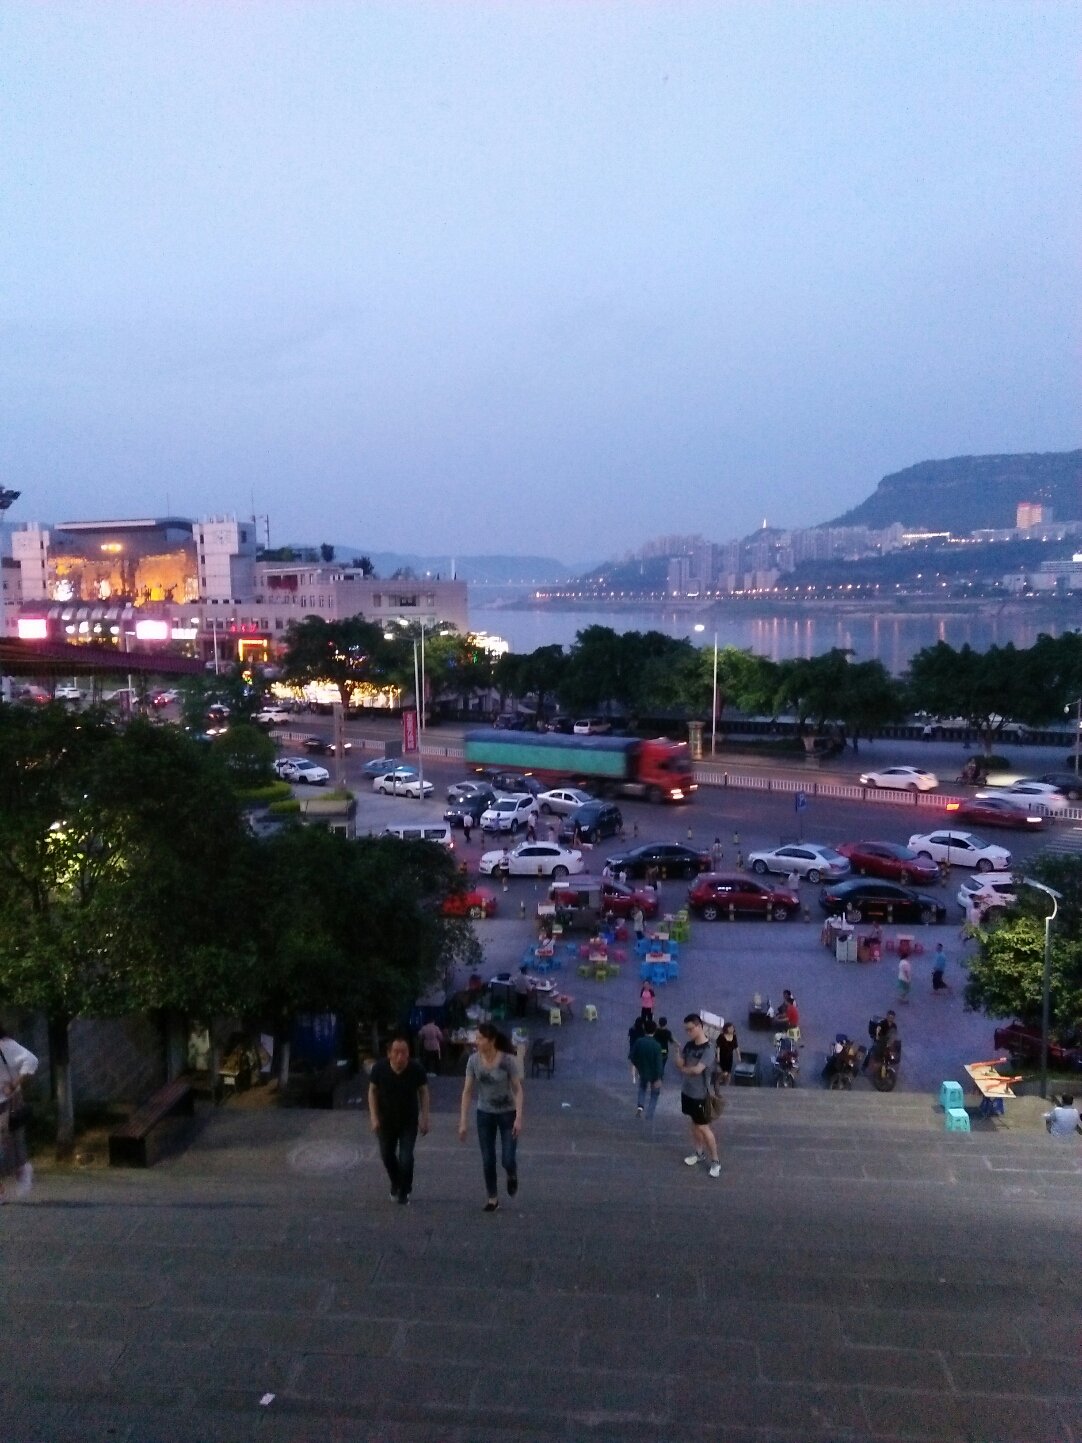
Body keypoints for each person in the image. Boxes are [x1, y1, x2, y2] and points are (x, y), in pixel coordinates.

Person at [458, 1022, 524, 1213]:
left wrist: (519, 1118)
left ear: (491, 1040)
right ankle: (492, 1198)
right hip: (484, 1114)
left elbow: (518, 1090)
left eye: (480, 1038)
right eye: (476, 1038)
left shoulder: (507, 1061)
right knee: (488, 1159)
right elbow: (467, 1091)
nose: (476, 1041)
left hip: (507, 1113)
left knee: (507, 1159)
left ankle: (511, 1173)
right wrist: (463, 1121)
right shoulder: (473, 1061)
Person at [368, 1033, 430, 1205]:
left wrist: (425, 1117)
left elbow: (424, 1092)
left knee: (406, 1158)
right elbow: (372, 1091)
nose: (400, 1056)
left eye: (404, 1052)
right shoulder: (379, 1068)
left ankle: (405, 1189)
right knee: (387, 1155)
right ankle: (396, 1182)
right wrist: (373, 1116)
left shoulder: (416, 1069)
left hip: (408, 1121)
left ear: (409, 1053)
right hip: (385, 1121)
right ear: (389, 1053)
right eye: (396, 1052)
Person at [673, 1014, 720, 1178]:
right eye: (686, 1030)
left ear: (699, 1027)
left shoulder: (709, 1049)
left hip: (700, 1094)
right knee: (694, 1124)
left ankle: (715, 1161)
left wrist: (683, 1069)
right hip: (687, 1091)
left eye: (690, 1029)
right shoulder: (689, 1045)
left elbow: (697, 1070)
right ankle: (699, 1153)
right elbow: (681, 1064)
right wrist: (677, 1054)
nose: (688, 1033)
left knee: (704, 1127)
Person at [0, 1024, 37, 1201]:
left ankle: (22, 1170)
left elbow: (31, 1060)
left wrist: (14, 1084)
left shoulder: (6, 1045)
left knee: (7, 1144)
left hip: (7, 1102)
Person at [630, 1019, 664, 1119]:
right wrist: (659, 1077)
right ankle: (649, 1114)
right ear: (655, 1031)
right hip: (654, 1074)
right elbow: (659, 1063)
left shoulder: (639, 1042)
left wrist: (638, 1066)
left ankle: (640, 1107)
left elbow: (633, 1056)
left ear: (644, 1029)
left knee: (642, 1088)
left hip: (643, 1071)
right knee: (654, 1094)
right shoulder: (657, 1045)